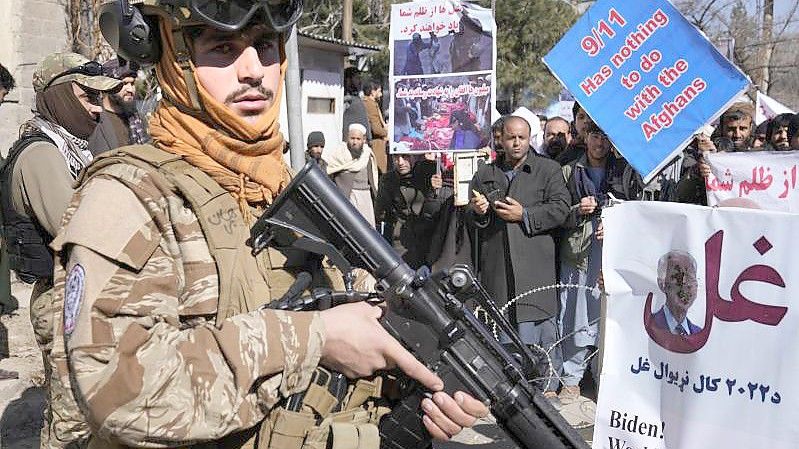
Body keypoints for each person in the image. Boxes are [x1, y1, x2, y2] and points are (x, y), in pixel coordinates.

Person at [47, 1, 487, 447]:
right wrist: (316, 338)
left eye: (265, 46)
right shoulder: (131, 195)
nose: (254, 70)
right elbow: (121, 391)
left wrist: (401, 364)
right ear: (171, 58)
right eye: (222, 48)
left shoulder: (280, 184)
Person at [0, 51, 121, 444]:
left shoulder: (66, 149)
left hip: (76, 295)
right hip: (61, 301)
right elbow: (77, 230)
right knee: (71, 425)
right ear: (60, 97)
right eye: (88, 97)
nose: (98, 109)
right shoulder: (41, 155)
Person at [468, 115, 570, 396]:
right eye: (510, 137)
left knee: (540, 327)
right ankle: (510, 389)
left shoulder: (548, 170)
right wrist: (478, 212)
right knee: (504, 328)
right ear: (500, 139)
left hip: (534, 265)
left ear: (529, 139)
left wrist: (524, 215)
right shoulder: (485, 174)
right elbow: (471, 219)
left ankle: (547, 385)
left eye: (521, 138)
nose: (515, 143)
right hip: (498, 266)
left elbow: (561, 209)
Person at [557, 123, 641, 403]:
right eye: (595, 136)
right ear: (585, 137)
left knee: (607, 314)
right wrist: (576, 210)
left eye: (606, 137)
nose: (600, 143)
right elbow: (557, 213)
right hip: (579, 253)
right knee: (575, 313)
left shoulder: (625, 172)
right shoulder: (569, 170)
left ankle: (603, 374)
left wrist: (614, 223)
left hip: (612, 253)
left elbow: (635, 211)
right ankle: (571, 377)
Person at [375, 153, 449, 268]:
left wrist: (436, 188)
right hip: (403, 240)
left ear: (414, 156)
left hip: (431, 237)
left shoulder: (431, 171)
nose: (400, 162)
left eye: (405, 156)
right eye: (396, 157)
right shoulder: (388, 180)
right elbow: (383, 215)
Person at [325, 124, 380, 226]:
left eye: (358, 139)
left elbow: (373, 179)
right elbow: (329, 175)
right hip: (347, 198)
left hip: (365, 198)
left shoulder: (367, 155)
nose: (355, 142)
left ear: (363, 140)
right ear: (347, 138)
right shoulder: (339, 155)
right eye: (352, 138)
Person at [651, 250, 701, 335]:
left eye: (690, 278)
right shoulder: (648, 327)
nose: (686, 285)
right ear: (662, 284)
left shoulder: (699, 335)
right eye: (678, 277)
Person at [363, 79, 389, 173]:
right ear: (373, 92)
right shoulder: (370, 105)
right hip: (376, 144)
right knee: (379, 171)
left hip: (375, 143)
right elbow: (376, 129)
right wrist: (387, 132)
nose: (381, 94)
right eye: (379, 91)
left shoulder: (369, 103)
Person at [342, 67, 372, 141]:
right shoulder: (346, 99)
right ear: (348, 80)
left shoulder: (357, 96)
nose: (360, 81)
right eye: (357, 78)